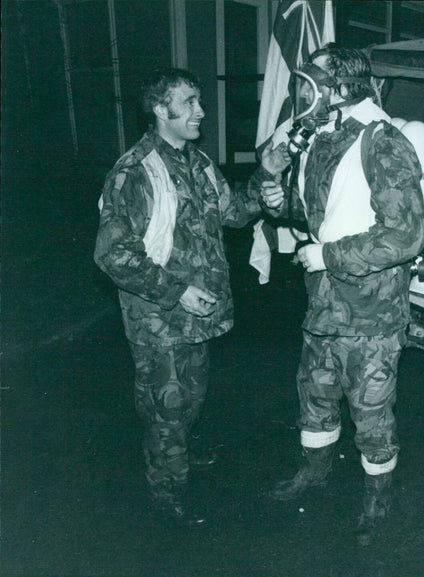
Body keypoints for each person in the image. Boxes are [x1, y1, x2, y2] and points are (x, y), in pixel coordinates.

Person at [94, 67, 283, 527]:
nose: (201, 110)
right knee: (165, 408)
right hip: (159, 318)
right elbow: (112, 255)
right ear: (162, 110)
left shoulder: (197, 162)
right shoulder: (135, 172)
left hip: (197, 314)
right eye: (190, 102)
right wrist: (176, 291)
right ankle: (166, 494)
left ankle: (178, 457)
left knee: (190, 398)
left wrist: (267, 180)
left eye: (199, 100)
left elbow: (233, 212)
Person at [258, 44, 424, 546]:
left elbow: (406, 236)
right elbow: (326, 212)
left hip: (371, 310)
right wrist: (279, 198)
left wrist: (328, 256)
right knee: (316, 394)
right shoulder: (322, 137)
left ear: (342, 87)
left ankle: (379, 494)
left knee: (371, 409)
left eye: (315, 80)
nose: (304, 89)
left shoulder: (383, 141)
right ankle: (314, 471)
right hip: (324, 303)